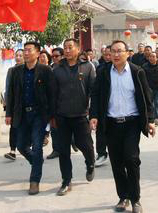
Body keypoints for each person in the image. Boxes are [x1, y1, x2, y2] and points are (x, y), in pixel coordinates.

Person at [89, 40, 155, 213]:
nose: (116, 55)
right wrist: (94, 115)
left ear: (127, 53)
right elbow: (95, 95)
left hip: (131, 123)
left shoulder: (136, 72)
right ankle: (123, 196)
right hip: (111, 124)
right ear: (109, 54)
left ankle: (135, 199)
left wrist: (151, 120)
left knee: (131, 160)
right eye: (113, 51)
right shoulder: (103, 72)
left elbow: (147, 97)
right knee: (117, 162)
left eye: (120, 51)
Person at [5, 41, 56, 195]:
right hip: (21, 114)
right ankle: (37, 163)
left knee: (37, 146)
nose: (26, 53)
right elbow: (12, 93)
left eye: (29, 50)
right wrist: (8, 113)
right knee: (20, 145)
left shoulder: (45, 70)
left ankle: (34, 181)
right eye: (24, 50)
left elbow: (52, 94)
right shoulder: (16, 71)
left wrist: (51, 116)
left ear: (37, 53)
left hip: (39, 115)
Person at [52, 38, 97, 196]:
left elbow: (94, 92)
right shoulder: (57, 69)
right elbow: (53, 95)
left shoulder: (87, 67)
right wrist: (52, 116)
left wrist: (93, 114)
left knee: (85, 145)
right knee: (63, 150)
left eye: (71, 47)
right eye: (65, 48)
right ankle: (66, 180)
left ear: (78, 49)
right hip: (62, 116)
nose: (67, 50)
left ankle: (90, 163)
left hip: (80, 115)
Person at [4, 49, 24, 161]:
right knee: (14, 127)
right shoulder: (11, 70)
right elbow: (8, 87)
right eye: (17, 55)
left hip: (26, 104)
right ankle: (12, 150)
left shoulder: (29, 69)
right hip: (15, 104)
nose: (19, 57)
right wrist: (7, 102)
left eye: (21, 55)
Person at [95, 45, 111, 167]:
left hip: (119, 110)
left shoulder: (129, 69)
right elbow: (95, 92)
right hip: (103, 107)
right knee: (100, 131)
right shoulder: (100, 69)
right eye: (106, 54)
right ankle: (101, 153)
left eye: (110, 54)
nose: (109, 56)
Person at [47, 47, 64, 160]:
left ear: (62, 56)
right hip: (52, 103)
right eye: (52, 56)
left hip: (65, 103)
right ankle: (56, 149)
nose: (54, 58)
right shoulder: (50, 69)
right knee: (54, 128)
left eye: (56, 56)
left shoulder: (66, 68)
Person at [142, 51, 158, 125]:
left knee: (157, 102)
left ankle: (156, 118)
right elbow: (142, 77)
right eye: (150, 57)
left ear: (157, 58)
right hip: (148, 88)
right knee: (150, 103)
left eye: (153, 57)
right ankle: (150, 118)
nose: (151, 58)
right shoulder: (144, 66)